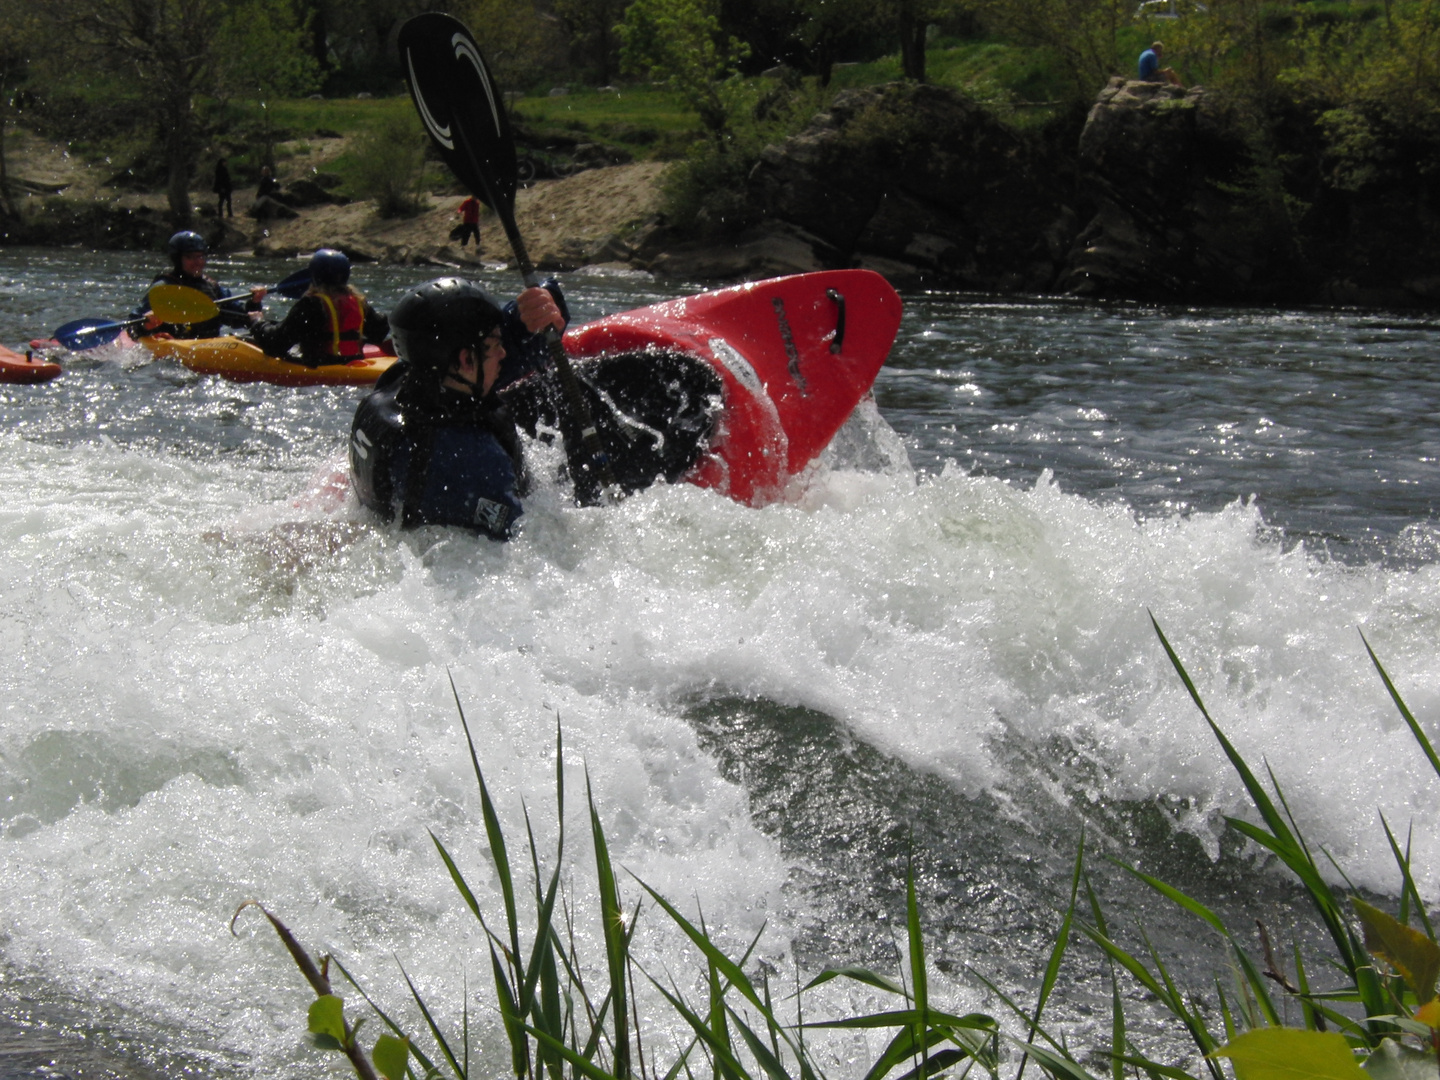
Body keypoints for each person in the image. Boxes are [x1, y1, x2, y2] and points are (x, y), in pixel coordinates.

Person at [349, 277, 565, 539]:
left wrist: (543, 305)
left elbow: (492, 347)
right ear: (466, 359)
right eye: (497, 345)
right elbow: (525, 542)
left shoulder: (401, 381)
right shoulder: (469, 463)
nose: (504, 353)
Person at [248, 248, 391, 367]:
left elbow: (275, 345)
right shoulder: (359, 302)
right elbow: (379, 332)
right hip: (352, 364)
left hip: (320, 369)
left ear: (314, 276)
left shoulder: (311, 305)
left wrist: (258, 322)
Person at [134, 230, 261, 339]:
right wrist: (146, 323)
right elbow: (133, 328)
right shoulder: (163, 288)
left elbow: (240, 319)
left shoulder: (211, 287)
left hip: (209, 347)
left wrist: (254, 303)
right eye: (190, 257)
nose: (198, 262)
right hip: (173, 346)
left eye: (200, 257)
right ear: (178, 260)